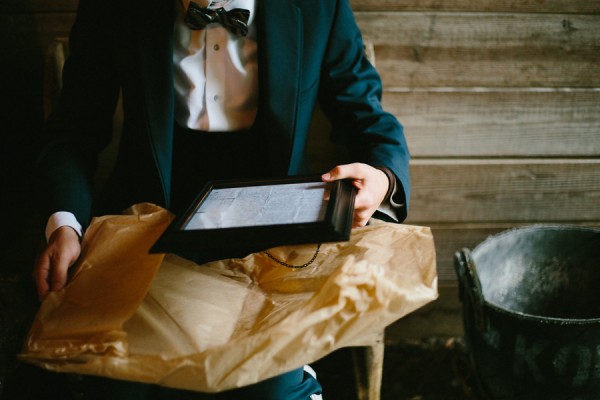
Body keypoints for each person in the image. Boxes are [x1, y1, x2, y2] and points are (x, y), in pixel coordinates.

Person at [32, 0, 410, 398]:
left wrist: (382, 177)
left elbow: (367, 117)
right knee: (120, 388)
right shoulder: (113, 7)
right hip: (145, 234)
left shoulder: (319, 7)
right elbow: (71, 134)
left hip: (272, 241)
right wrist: (65, 224)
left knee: (268, 391)